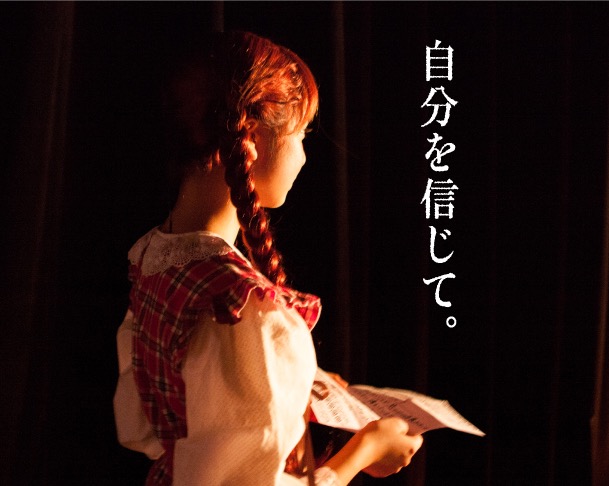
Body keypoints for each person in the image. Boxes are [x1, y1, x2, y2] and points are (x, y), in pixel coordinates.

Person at [113, 30, 423, 485]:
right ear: (253, 137)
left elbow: (149, 422)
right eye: (301, 135)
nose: (304, 158)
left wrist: (296, 381)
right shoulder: (244, 308)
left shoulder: (154, 258)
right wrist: (364, 450)